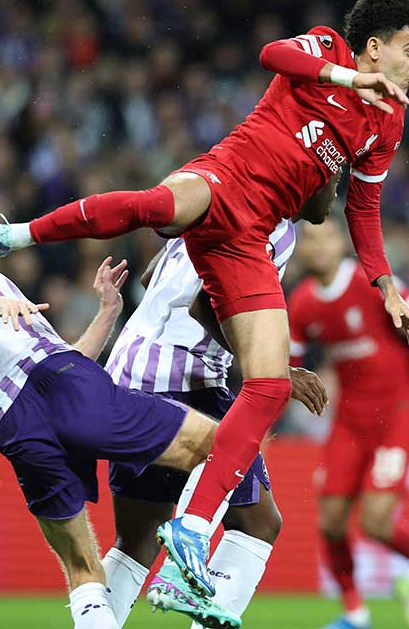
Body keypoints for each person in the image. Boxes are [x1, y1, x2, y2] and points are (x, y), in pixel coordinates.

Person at [0, 0, 409, 605]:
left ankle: (193, 525)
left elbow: (364, 210)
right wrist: (347, 76)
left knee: (268, 385)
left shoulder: (387, 123)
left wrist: (386, 286)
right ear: (374, 47)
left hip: (248, 241)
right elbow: (270, 54)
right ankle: (15, 234)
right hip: (222, 180)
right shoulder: (326, 49)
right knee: (155, 203)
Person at [0, 219, 238, 629]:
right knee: (220, 443)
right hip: (59, 386)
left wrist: (107, 313)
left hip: (18, 424)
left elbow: (50, 359)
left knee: (82, 569)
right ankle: (182, 567)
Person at [100, 177, 338, 629]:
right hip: (184, 378)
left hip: (129, 371)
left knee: (136, 539)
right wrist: (276, 369)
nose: (335, 194)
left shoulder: (225, 194)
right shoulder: (273, 227)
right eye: (332, 182)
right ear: (305, 183)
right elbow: (204, 306)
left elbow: (154, 276)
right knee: (259, 525)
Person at [288, 219, 409, 629]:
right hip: (349, 421)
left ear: (341, 241)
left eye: (326, 237)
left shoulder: (369, 283)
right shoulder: (304, 302)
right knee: (329, 520)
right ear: (302, 249)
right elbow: (285, 365)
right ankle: (355, 614)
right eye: (310, 239)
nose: (319, 246)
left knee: (376, 522)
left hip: (397, 414)